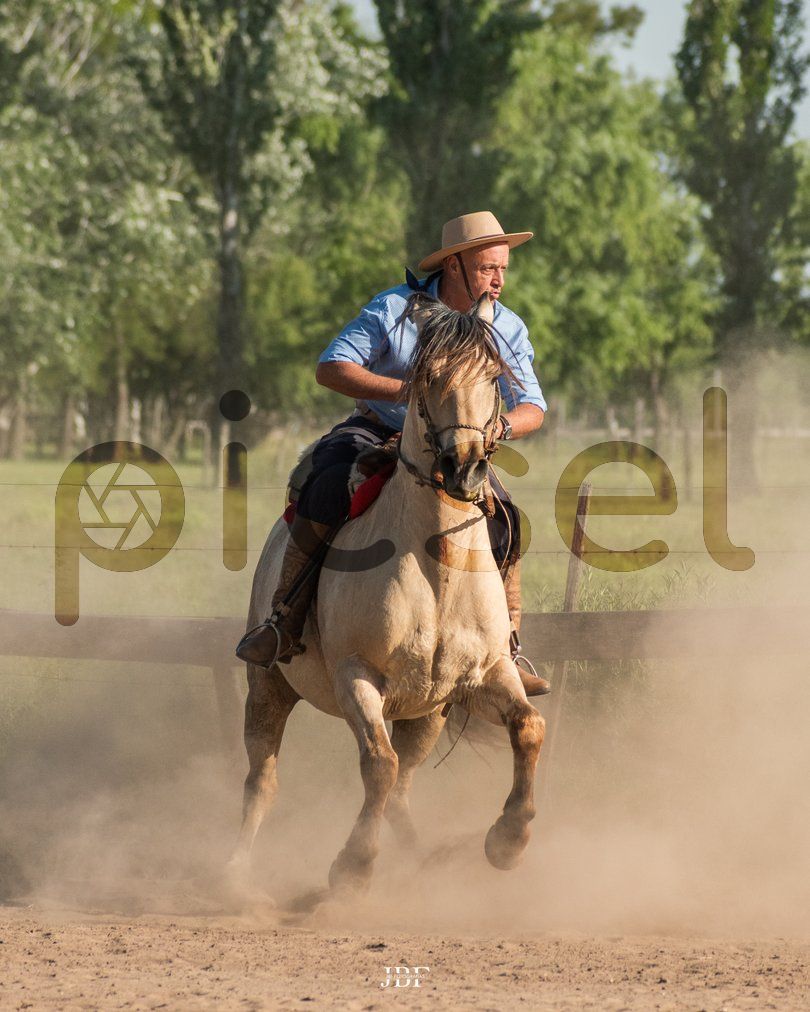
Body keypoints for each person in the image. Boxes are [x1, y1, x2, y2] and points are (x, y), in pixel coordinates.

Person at [236, 211, 550, 694]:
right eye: (488, 268)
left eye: (503, 268)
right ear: (454, 265)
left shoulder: (505, 326)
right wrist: (411, 392)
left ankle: (507, 648)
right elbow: (332, 366)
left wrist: (501, 427)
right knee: (325, 486)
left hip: (456, 444)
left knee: (505, 517)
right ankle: (283, 620)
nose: (499, 280)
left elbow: (533, 405)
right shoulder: (394, 308)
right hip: (376, 430)